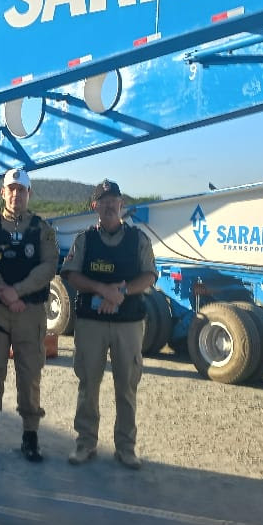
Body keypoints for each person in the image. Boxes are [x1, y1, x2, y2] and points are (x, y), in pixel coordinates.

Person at [60, 180, 158, 469]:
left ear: (121, 204)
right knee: (88, 385)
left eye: (114, 200)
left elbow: (149, 275)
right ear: (95, 206)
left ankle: (126, 447)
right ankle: (85, 442)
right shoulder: (84, 240)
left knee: (126, 386)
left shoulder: (138, 240)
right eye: (103, 201)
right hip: (92, 324)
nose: (109, 205)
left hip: (128, 323)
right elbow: (71, 274)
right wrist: (102, 290)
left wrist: (120, 293)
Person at [0, 168, 58, 462]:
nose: (16, 194)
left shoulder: (42, 229)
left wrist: (17, 291)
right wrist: (3, 291)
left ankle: (30, 436)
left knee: (29, 373)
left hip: (29, 312)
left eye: (21, 189)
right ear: (2, 192)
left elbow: (49, 266)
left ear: (29, 193)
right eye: (11, 189)